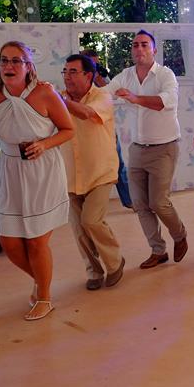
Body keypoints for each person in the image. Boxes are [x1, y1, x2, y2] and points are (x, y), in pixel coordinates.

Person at [0, 41, 74, 320]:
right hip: (10, 169)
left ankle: (44, 297)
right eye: (4, 60)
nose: (9, 66)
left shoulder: (45, 92)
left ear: (28, 66)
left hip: (42, 170)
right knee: (9, 243)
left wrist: (44, 144)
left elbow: (68, 129)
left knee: (36, 242)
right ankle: (42, 280)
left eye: (16, 61)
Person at [106, 30, 188, 269]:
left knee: (159, 202)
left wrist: (135, 98)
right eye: (135, 45)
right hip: (137, 149)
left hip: (164, 148)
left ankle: (180, 235)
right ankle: (158, 251)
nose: (139, 49)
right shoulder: (126, 75)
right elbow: (105, 93)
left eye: (144, 45)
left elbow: (164, 102)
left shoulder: (165, 75)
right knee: (140, 204)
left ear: (154, 50)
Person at [61, 54, 125, 290]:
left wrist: (58, 101)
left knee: (91, 220)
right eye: (65, 72)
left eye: (73, 72)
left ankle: (115, 262)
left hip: (101, 172)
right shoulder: (60, 98)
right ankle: (94, 271)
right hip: (71, 174)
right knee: (79, 229)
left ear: (89, 75)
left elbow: (87, 113)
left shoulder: (102, 96)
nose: (67, 77)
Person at [82, 48, 132, 209]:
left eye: (97, 63)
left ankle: (129, 201)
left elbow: (110, 92)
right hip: (86, 133)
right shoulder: (76, 82)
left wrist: (98, 76)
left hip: (106, 128)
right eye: (92, 64)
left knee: (118, 164)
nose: (95, 66)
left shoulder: (101, 76)